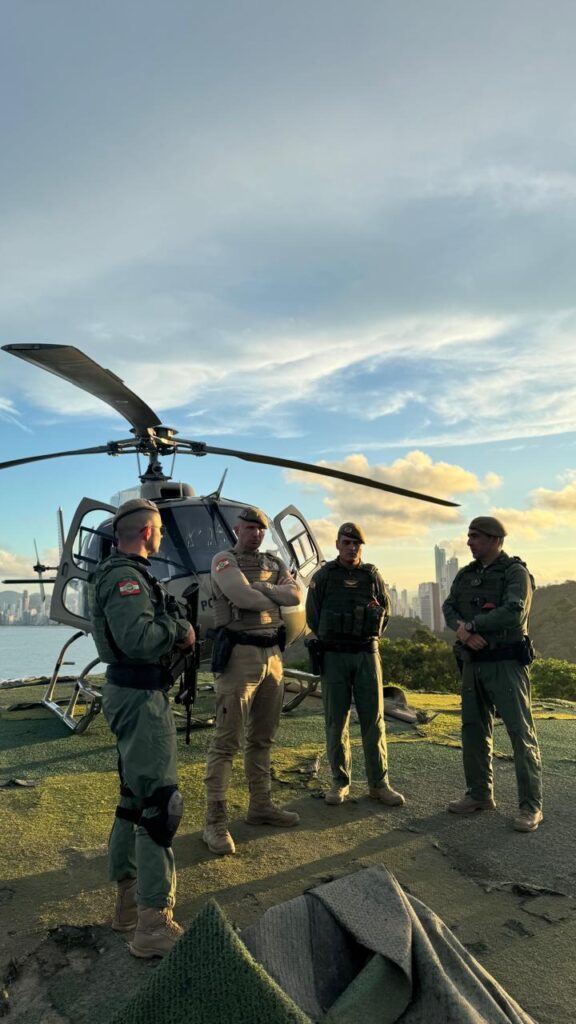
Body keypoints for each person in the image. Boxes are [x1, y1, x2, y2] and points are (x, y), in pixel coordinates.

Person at [89, 498, 195, 957]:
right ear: (148, 531)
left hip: (131, 692)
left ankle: (129, 908)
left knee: (134, 800)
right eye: (159, 530)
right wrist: (179, 630)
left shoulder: (122, 572)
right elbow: (137, 639)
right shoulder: (127, 579)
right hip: (139, 696)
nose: (162, 538)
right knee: (158, 805)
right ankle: (153, 924)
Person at [203, 506, 302, 855]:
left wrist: (262, 587)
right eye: (249, 528)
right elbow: (242, 597)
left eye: (260, 529)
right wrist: (270, 590)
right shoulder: (223, 560)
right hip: (239, 656)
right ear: (237, 529)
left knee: (262, 737)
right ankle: (214, 821)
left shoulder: (275, 563)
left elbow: (296, 596)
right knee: (226, 741)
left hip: (273, 655)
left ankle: (260, 806)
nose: (255, 534)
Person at [442, 516, 543, 832]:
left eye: (475, 536)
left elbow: (514, 612)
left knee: (519, 733)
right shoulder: (467, 574)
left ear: (495, 540)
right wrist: (463, 632)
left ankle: (530, 807)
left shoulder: (515, 573)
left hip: (505, 664)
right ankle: (479, 795)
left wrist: (473, 626)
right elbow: (448, 607)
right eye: (469, 536)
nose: (469, 541)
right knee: (473, 730)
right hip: (473, 664)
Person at [305, 522, 404, 808]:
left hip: (366, 655)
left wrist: (364, 636)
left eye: (356, 544)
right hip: (334, 657)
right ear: (337, 544)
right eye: (346, 542)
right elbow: (313, 616)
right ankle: (340, 782)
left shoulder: (371, 575)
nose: (351, 548)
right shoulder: (324, 576)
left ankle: (379, 784)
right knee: (336, 722)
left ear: (361, 547)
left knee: (373, 721)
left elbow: (385, 613)